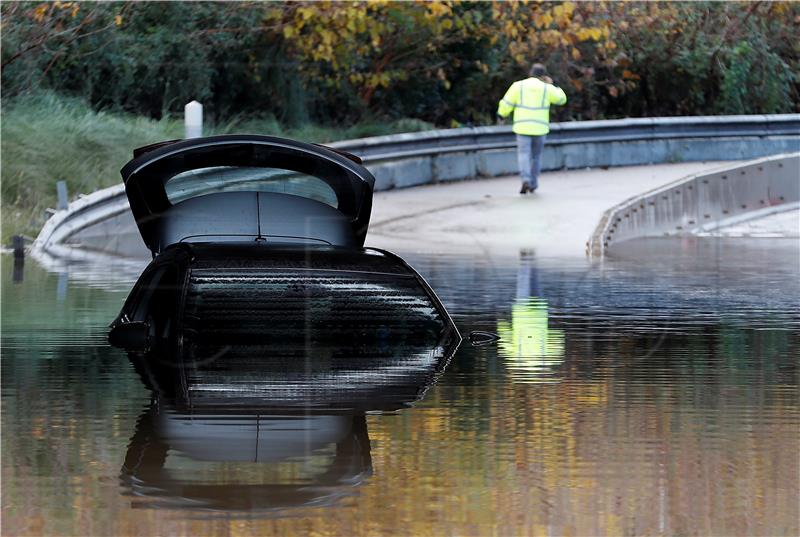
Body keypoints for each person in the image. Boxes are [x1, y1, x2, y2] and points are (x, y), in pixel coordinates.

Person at [497, 63, 567, 194]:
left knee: (523, 154)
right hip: (540, 128)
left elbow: (507, 103)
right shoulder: (546, 88)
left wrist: (501, 114)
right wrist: (553, 85)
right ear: (543, 76)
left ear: (530, 73)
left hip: (522, 127)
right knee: (536, 156)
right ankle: (533, 183)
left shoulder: (518, 86)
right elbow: (561, 99)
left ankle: (525, 179)